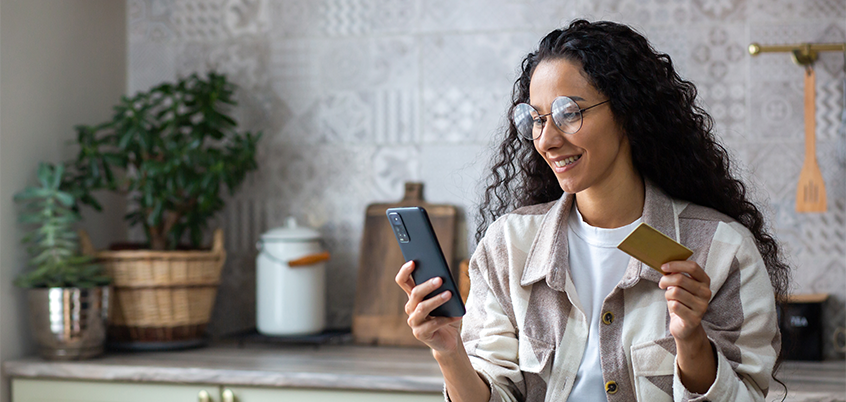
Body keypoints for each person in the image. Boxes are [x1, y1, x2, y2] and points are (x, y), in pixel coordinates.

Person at [395, 19, 789, 402]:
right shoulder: (509, 245)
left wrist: (690, 340)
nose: (547, 139)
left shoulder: (723, 250)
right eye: (535, 119)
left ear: (627, 112)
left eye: (569, 112)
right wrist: (448, 350)